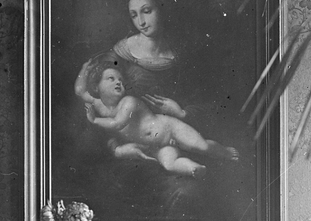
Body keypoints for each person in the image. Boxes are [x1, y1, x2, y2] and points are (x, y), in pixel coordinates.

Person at [75, 60, 239, 178]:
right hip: (156, 146)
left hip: (171, 129)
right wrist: (84, 70)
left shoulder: (128, 102)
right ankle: (194, 169)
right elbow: (80, 91)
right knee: (169, 164)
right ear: (96, 87)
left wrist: (94, 120)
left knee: (201, 146)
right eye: (111, 79)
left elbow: (118, 124)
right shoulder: (100, 106)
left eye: (121, 80)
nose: (118, 82)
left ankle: (224, 152)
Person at [111, 0, 178, 97]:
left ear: (161, 9)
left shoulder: (177, 53)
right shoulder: (121, 52)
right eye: (134, 15)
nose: (141, 22)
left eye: (147, 11)